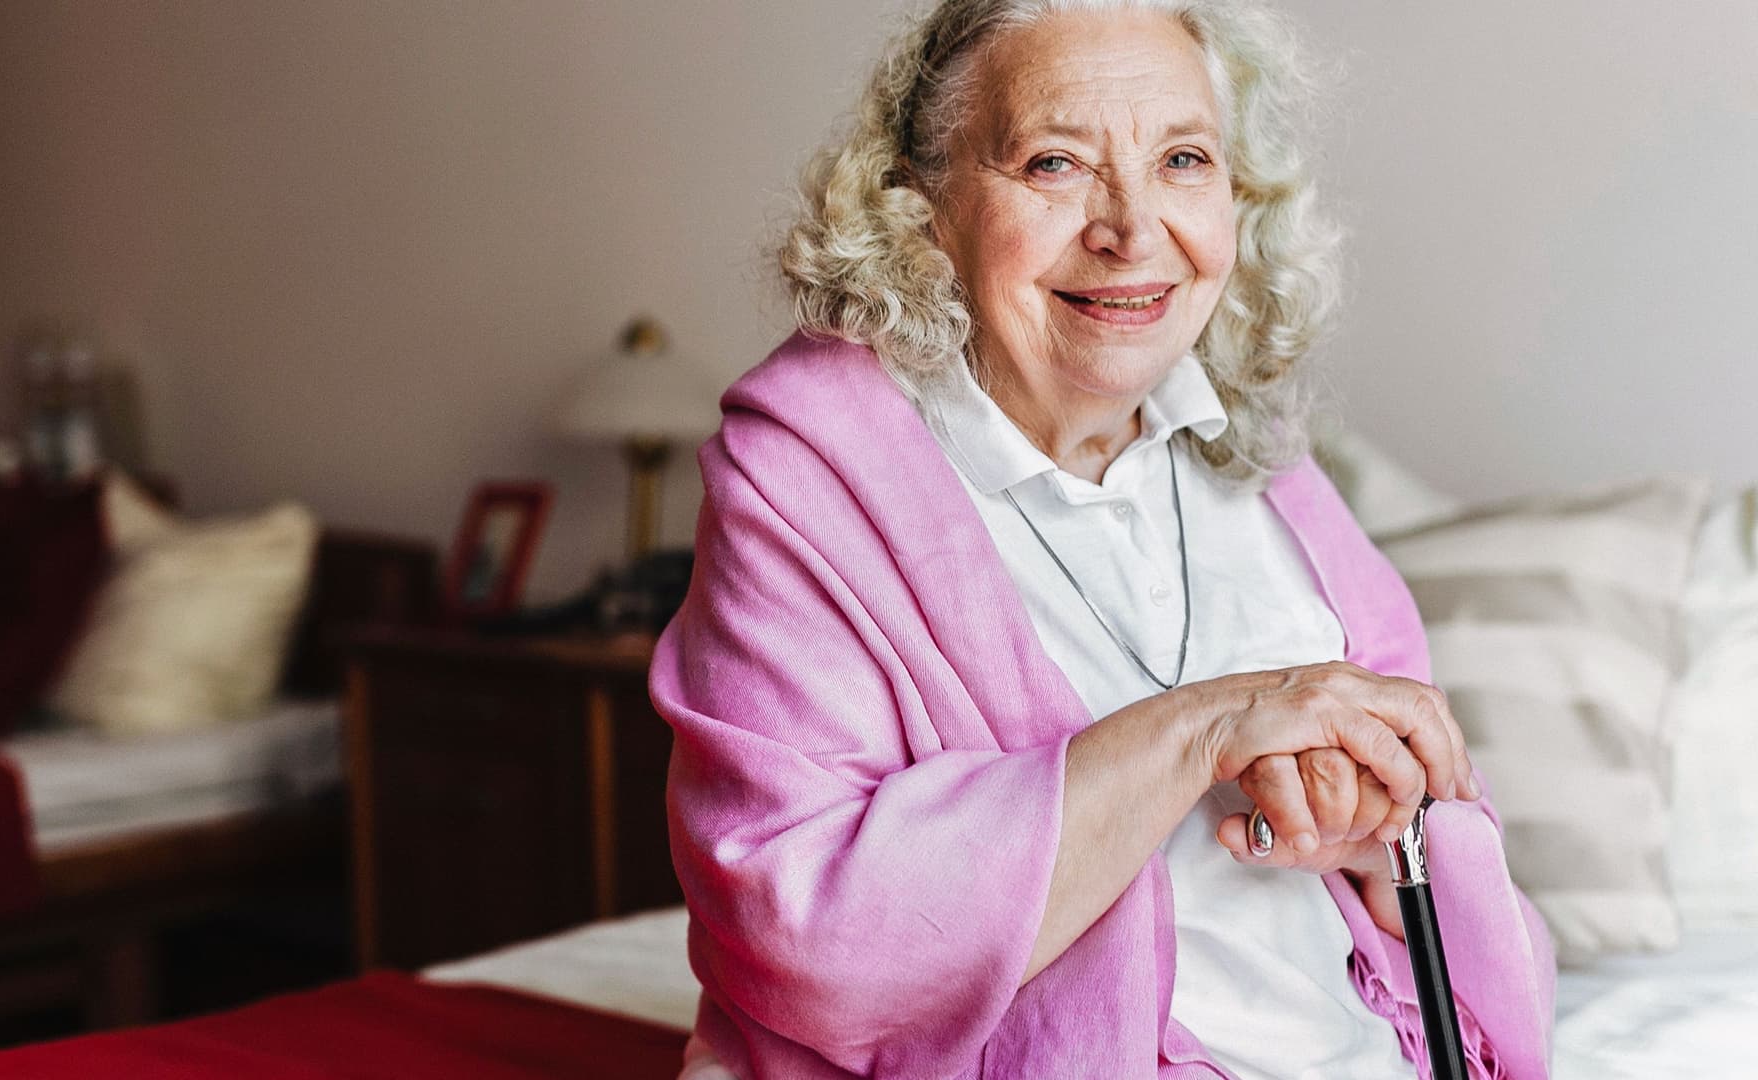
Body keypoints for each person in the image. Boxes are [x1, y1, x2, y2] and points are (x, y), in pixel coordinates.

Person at [649, 1, 1555, 1076]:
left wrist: (1369, 834)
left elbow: (1468, 869)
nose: (1132, 230)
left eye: (1182, 158)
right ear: (926, 205)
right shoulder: (808, 481)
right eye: (1054, 163)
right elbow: (803, 935)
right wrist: (1203, 732)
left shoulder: (1262, 464)